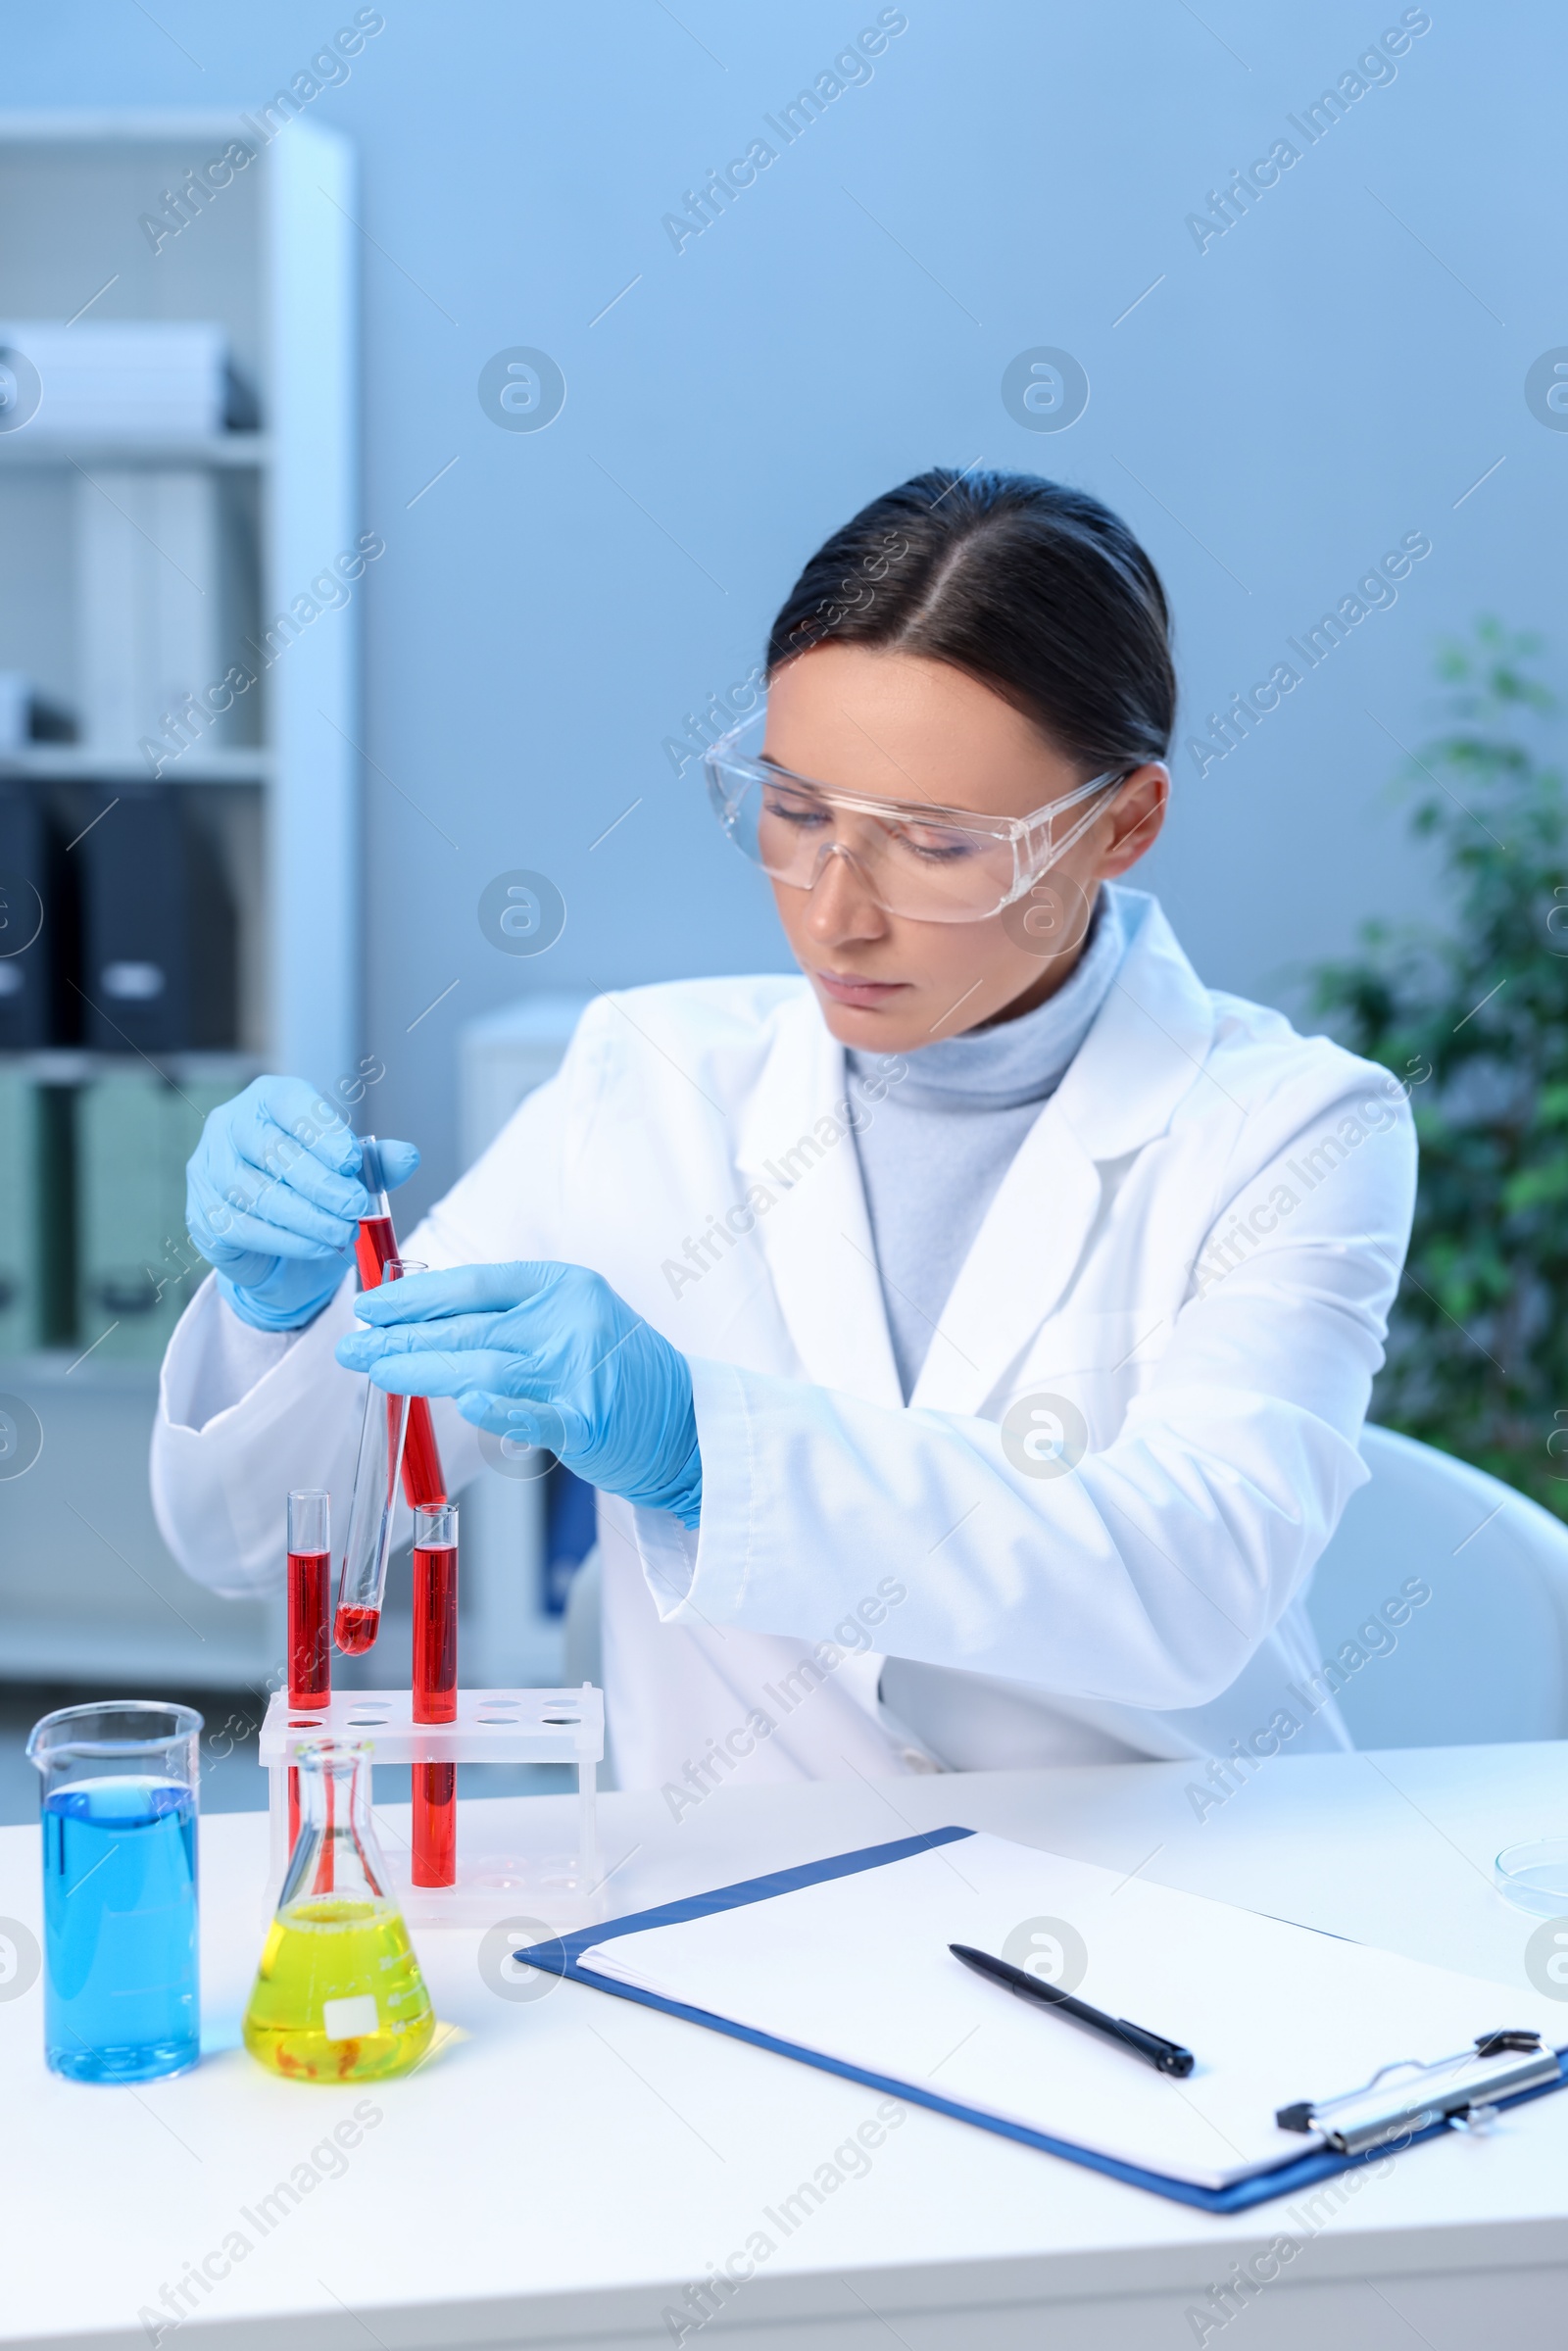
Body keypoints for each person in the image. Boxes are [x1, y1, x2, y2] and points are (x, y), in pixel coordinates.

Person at [154, 468, 1416, 1795]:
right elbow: (272, 1536)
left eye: (934, 845)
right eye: (797, 812)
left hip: (1177, 1897)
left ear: (1124, 824)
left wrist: (707, 1448)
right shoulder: (642, 1083)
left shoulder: (1295, 1129)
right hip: (741, 1914)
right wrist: (275, 1318)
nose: (833, 913)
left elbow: (1192, 1582)